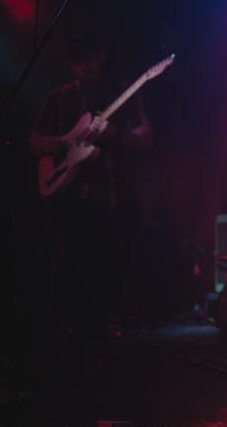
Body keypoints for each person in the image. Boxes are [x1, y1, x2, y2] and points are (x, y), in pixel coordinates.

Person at [28, 32, 153, 364]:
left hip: (112, 197)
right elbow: (35, 140)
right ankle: (70, 342)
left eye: (92, 59)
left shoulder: (122, 93)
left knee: (108, 271)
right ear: (71, 65)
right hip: (69, 198)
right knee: (71, 269)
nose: (87, 67)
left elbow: (145, 137)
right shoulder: (58, 99)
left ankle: (99, 345)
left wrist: (114, 133)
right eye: (79, 62)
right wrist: (58, 144)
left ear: (102, 57)